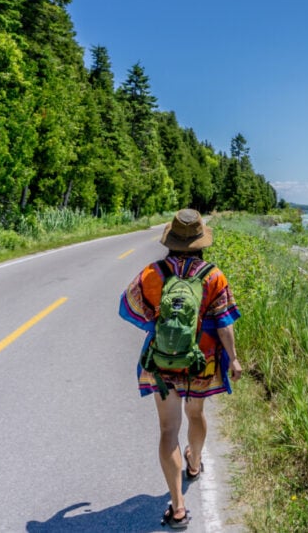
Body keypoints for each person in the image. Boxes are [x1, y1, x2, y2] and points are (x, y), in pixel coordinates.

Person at [119, 209, 243, 529]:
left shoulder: (153, 273)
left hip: (161, 362)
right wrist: (235, 358)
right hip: (202, 362)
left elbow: (129, 305)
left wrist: (160, 324)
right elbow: (226, 323)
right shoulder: (213, 275)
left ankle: (177, 508)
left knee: (167, 431)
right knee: (197, 415)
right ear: (201, 241)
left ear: (171, 240)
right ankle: (195, 463)